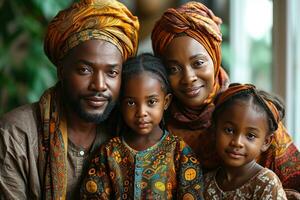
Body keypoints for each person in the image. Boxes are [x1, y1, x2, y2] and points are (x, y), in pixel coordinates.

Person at [151, 0, 300, 194]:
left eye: (198, 63)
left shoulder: (250, 110)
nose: (188, 78)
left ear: (214, 57)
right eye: (173, 69)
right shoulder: (154, 122)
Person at [0, 0, 139, 199]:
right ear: (61, 70)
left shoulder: (128, 131)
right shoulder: (16, 135)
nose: (99, 85)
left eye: (112, 72)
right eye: (84, 70)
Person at [80, 53, 204, 199]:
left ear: (166, 102)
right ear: (120, 103)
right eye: (131, 103)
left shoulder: (179, 152)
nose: (141, 112)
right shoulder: (109, 153)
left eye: (151, 102)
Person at [203, 83, 287, 199]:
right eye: (229, 130)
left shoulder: (266, 183)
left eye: (250, 136)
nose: (237, 142)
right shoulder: (205, 183)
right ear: (214, 130)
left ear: (266, 142)